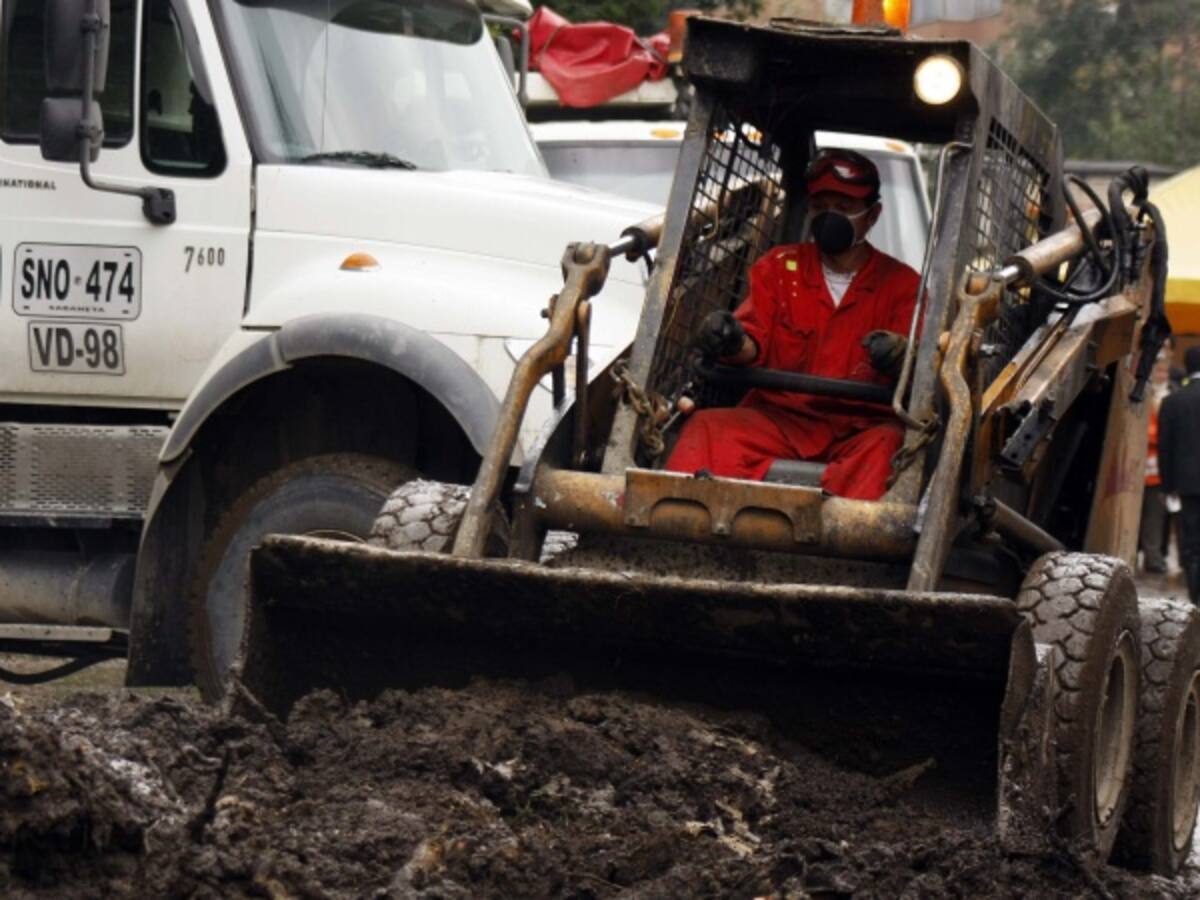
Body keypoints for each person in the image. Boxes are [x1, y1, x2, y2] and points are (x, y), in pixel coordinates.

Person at [665, 147, 919, 501]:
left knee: (891, 446)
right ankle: (674, 531)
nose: (830, 217)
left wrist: (902, 356)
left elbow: (921, 369)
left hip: (861, 428)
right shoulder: (778, 268)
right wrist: (730, 340)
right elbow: (753, 342)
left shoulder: (903, 285)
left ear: (872, 215)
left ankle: (849, 548)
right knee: (707, 428)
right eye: (821, 207)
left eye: (844, 209)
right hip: (780, 419)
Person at [1158, 345, 1200, 603]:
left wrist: (1167, 485)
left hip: (1185, 483)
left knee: (1192, 540)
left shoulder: (1172, 401)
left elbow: (1166, 446)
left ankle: (1195, 595)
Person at [1138, 354, 1172, 575]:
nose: (1160, 375)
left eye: (1163, 372)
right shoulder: (1144, 396)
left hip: (1156, 471)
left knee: (1154, 518)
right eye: (1157, 371)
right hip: (1139, 468)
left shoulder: (1168, 398)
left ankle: (1153, 557)